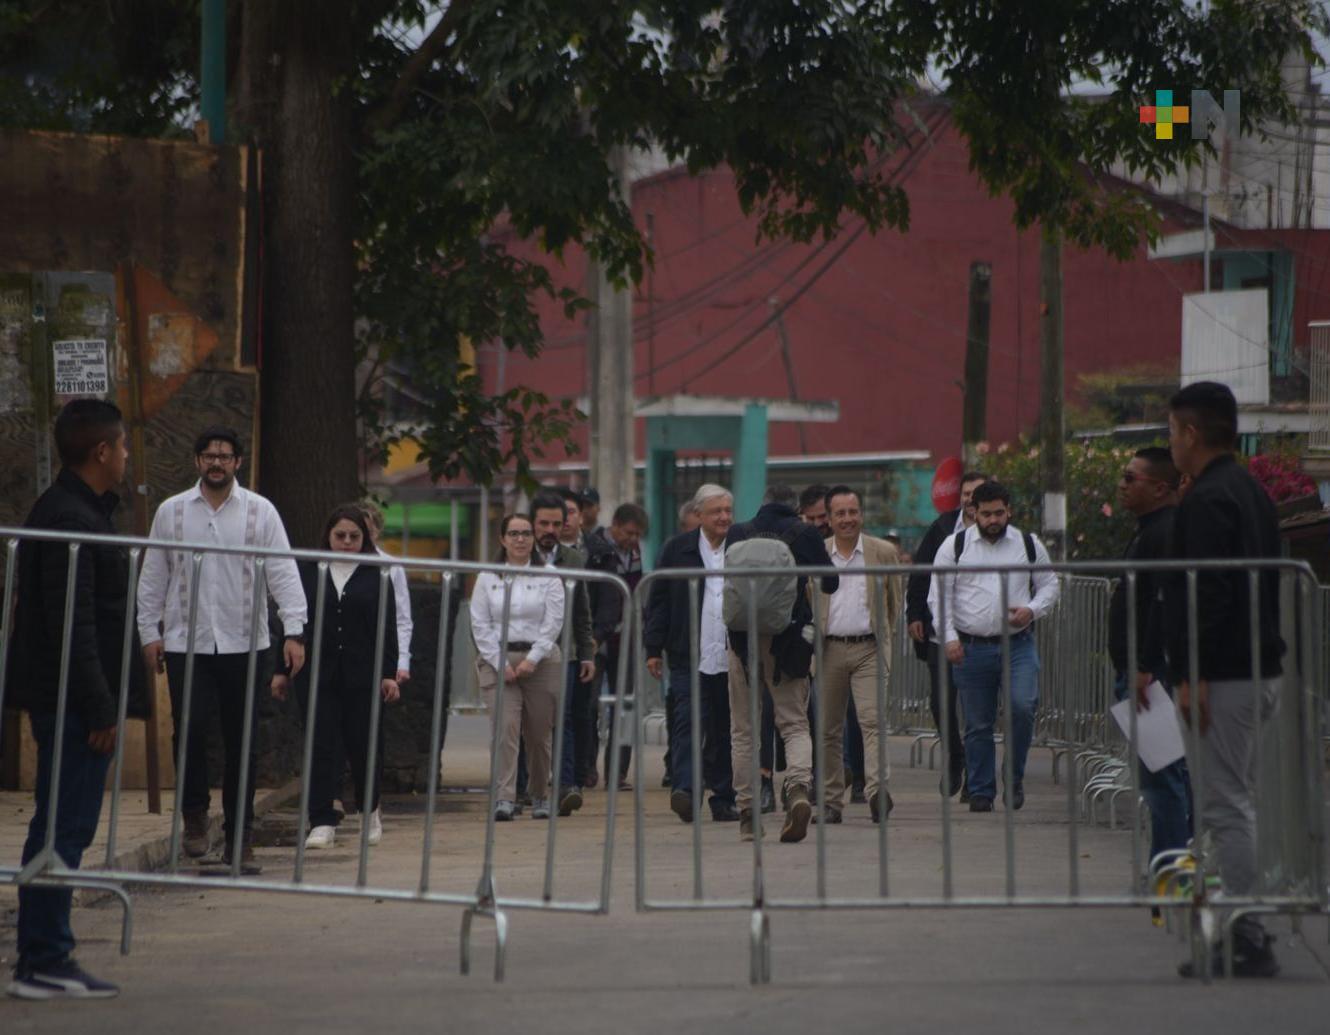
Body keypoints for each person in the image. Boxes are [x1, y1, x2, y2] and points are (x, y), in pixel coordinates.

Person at [7, 400, 147, 1000]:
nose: (126, 456)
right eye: (122, 447)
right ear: (102, 452)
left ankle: (43, 955)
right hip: (70, 702)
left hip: (70, 698)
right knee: (64, 827)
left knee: (62, 825)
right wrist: (98, 708)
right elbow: (76, 625)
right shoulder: (70, 517)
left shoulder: (79, 510)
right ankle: (45, 958)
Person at [137, 427, 306, 871]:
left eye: (225, 456)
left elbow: (283, 571)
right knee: (189, 731)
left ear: (238, 462)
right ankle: (194, 816)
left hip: (244, 641)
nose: (216, 463)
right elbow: (154, 575)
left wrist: (294, 630)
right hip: (184, 641)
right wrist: (148, 633)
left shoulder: (260, 511)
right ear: (196, 461)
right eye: (209, 455)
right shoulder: (171, 512)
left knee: (242, 742)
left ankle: (239, 837)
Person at [1165, 381, 1284, 979]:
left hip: (1228, 674)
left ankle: (1247, 937)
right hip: (1252, 668)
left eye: (1172, 432)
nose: (1171, 445)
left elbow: (1204, 591)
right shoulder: (1249, 491)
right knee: (1234, 801)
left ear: (1190, 433)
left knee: (1226, 805)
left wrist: (1192, 673)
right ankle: (1243, 931)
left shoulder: (1210, 499)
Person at [272, 505, 399, 850]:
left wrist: (389, 674)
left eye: (354, 536)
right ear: (328, 536)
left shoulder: (378, 573)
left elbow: (388, 627)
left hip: (364, 673)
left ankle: (369, 810)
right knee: (320, 744)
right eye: (340, 536)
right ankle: (321, 819)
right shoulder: (308, 570)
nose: (346, 542)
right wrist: (280, 671)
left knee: (364, 743)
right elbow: (291, 621)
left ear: (365, 538)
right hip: (316, 671)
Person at [929, 480, 1058, 813]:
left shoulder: (1028, 544)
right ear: (974, 512)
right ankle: (981, 789)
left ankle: (1013, 776)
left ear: (1009, 511)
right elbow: (938, 596)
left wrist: (1032, 609)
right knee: (978, 723)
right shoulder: (954, 546)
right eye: (986, 514)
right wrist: (950, 638)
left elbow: (1049, 585)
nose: (993, 520)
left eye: (999, 513)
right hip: (971, 647)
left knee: (1022, 706)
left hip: (1018, 645)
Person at [725, 484, 839, 843]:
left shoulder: (738, 531)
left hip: (742, 640)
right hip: (788, 639)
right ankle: (797, 790)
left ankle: (746, 814)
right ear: (795, 508)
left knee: (743, 730)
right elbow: (831, 582)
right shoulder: (803, 532)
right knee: (793, 724)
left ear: (763, 503)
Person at [1107, 448, 1192, 871]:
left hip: (1149, 674)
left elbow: (1163, 604)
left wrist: (1143, 664)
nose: (1122, 485)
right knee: (1163, 775)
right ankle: (1174, 863)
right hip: (1141, 670)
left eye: (1130, 478)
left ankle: (1173, 868)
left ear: (1160, 487)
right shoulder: (1148, 529)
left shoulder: (1165, 532)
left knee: (1163, 778)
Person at [644, 486, 739, 823]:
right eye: (716, 511)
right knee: (687, 721)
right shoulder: (677, 550)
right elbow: (659, 601)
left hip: (731, 655)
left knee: (724, 728)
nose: (724, 517)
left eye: (728, 510)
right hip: (688, 653)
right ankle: (685, 790)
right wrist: (653, 647)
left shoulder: (740, 548)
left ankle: (724, 797)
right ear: (699, 515)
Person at [813, 486, 903, 823]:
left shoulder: (882, 552)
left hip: (869, 649)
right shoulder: (818, 554)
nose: (848, 519)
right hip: (829, 650)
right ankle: (831, 802)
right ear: (830, 518)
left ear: (861, 514)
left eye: (853, 512)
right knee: (828, 729)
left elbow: (894, 602)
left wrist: (883, 636)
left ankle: (878, 792)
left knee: (872, 720)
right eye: (841, 513)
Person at [469, 513, 565, 821]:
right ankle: (505, 798)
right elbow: (479, 623)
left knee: (538, 734)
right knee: (504, 731)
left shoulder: (548, 574)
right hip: (498, 658)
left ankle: (539, 794)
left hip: (541, 660)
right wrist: (500, 663)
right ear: (502, 539)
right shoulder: (488, 576)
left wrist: (531, 660)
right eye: (514, 533)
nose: (520, 539)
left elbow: (553, 622)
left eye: (525, 533)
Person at [907, 470, 987, 799]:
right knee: (941, 702)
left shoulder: (1001, 532)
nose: (969, 499)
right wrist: (915, 614)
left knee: (976, 710)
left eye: (976, 494)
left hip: (978, 635)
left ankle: (976, 780)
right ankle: (955, 758)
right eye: (965, 493)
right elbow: (920, 571)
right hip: (941, 630)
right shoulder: (941, 528)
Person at [530, 492, 596, 817]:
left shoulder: (573, 560)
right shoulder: (517, 556)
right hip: (525, 653)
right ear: (532, 524)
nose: (550, 529)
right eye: (543, 523)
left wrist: (587, 653)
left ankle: (567, 786)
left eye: (557, 523)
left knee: (565, 719)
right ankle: (526, 788)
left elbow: (582, 611)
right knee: (529, 721)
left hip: (565, 652)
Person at [585, 502, 648, 790]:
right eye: (629, 533)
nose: (633, 539)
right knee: (588, 704)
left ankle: (617, 772)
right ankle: (586, 768)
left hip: (626, 639)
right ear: (615, 525)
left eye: (637, 535)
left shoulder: (636, 554)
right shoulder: (593, 547)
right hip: (596, 639)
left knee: (626, 706)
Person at [359, 503, 413, 687]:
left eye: (370, 532)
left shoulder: (391, 566)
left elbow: (402, 617)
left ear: (378, 532)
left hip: (378, 651)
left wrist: (402, 660)